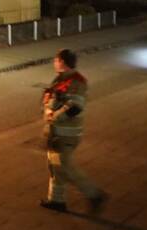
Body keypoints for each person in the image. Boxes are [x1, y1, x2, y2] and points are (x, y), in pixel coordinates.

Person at [39, 49, 108, 214]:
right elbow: (52, 98)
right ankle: (56, 200)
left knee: (65, 168)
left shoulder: (77, 82)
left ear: (62, 62)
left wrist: (54, 116)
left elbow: (75, 107)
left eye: (56, 60)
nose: (54, 63)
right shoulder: (60, 79)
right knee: (55, 167)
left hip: (66, 133)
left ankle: (94, 194)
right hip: (55, 133)